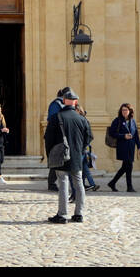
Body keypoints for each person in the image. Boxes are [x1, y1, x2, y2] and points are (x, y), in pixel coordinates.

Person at [44, 90, 92, 223]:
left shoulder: (56, 117)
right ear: (75, 102)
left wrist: (50, 153)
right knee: (79, 183)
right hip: (77, 156)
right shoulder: (82, 119)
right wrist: (80, 148)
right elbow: (89, 137)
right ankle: (79, 214)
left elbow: (48, 138)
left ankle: (63, 214)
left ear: (64, 101)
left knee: (63, 183)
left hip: (61, 155)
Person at [107, 102, 140, 192]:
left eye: (126, 110)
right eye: (122, 110)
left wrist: (139, 147)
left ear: (130, 111)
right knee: (129, 166)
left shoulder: (133, 121)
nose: (124, 111)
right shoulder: (117, 120)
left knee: (125, 167)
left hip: (131, 147)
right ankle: (129, 187)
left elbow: (136, 135)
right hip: (122, 147)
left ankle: (112, 182)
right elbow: (112, 133)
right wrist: (123, 136)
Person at [45, 87, 70, 191]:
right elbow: (53, 120)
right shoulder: (56, 104)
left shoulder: (63, 104)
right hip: (56, 135)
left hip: (61, 135)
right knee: (56, 158)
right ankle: (51, 183)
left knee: (59, 159)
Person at [77, 105, 98, 192]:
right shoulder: (83, 120)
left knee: (78, 168)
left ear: (78, 111)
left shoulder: (82, 120)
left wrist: (83, 145)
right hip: (83, 148)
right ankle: (92, 184)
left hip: (81, 148)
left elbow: (89, 135)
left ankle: (80, 186)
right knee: (84, 167)